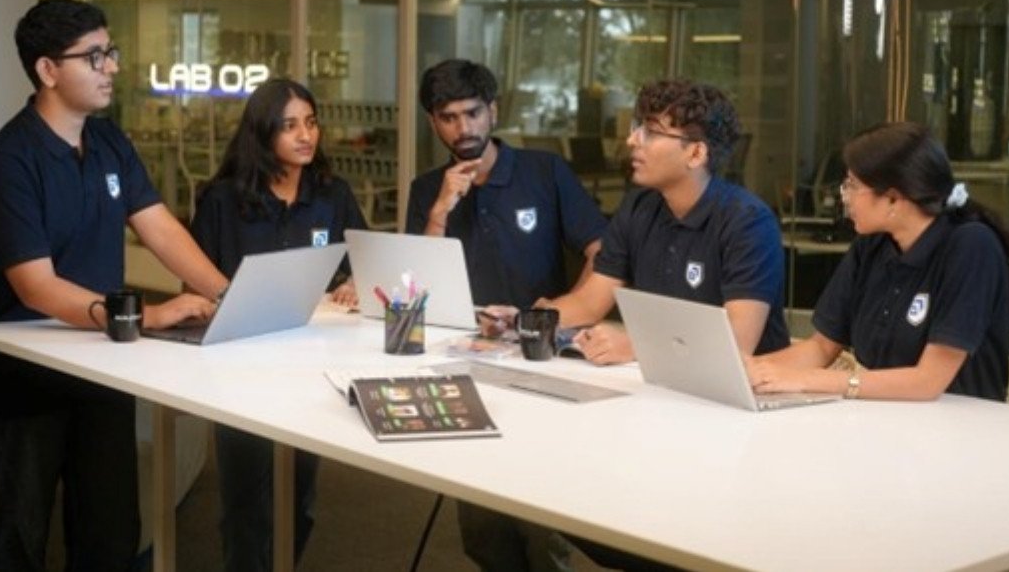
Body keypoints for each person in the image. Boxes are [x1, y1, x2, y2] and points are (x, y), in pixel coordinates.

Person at [0, 0, 229, 571]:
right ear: (48, 70)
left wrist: (228, 294)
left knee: (110, 533)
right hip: (18, 377)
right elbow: (37, 287)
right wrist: (146, 316)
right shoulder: (8, 162)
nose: (112, 67)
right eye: (95, 56)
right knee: (22, 539)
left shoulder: (109, 143)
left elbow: (160, 227)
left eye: (111, 52)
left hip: (99, 364)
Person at [406, 59, 608, 572]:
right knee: (482, 531)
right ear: (433, 122)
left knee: (540, 527)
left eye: (473, 113)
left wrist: (558, 316)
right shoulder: (427, 189)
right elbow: (413, 288)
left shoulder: (544, 171)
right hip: (463, 361)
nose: (463, 128)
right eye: (449, 117)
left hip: (539, 358)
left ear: (493, 111)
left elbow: (602, 251)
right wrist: (440, 211)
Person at [189, 77, 368, 570]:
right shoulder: (222, 199)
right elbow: (195, 283)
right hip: (239, 367)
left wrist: (356, 281)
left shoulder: (332, 194)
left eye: (311, 123)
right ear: (263, 132)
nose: (305, 135)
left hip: (310, 366)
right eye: (289, 126)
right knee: (246, 502)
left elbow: (364, 258)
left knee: (299, 499)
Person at [745, 122, 1009, 401]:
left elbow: (928, 381)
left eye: (852, 186)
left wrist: (812, 381)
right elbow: (822, 347)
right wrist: (750, 370)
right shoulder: (872, 245)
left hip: (961, 426)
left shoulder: (971, 246)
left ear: (894, 199)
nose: (845, 198)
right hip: (884, 419)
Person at [541, 79, 789, 365]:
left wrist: (636, 346)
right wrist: (524, 318)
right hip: (660, 378)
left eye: (650, 132)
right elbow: (589, 303)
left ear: (695, 154)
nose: (632, 140)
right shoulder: (638, 207)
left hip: (745, 385)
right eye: (637, 127)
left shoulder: (748, 222)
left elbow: (737, 342)